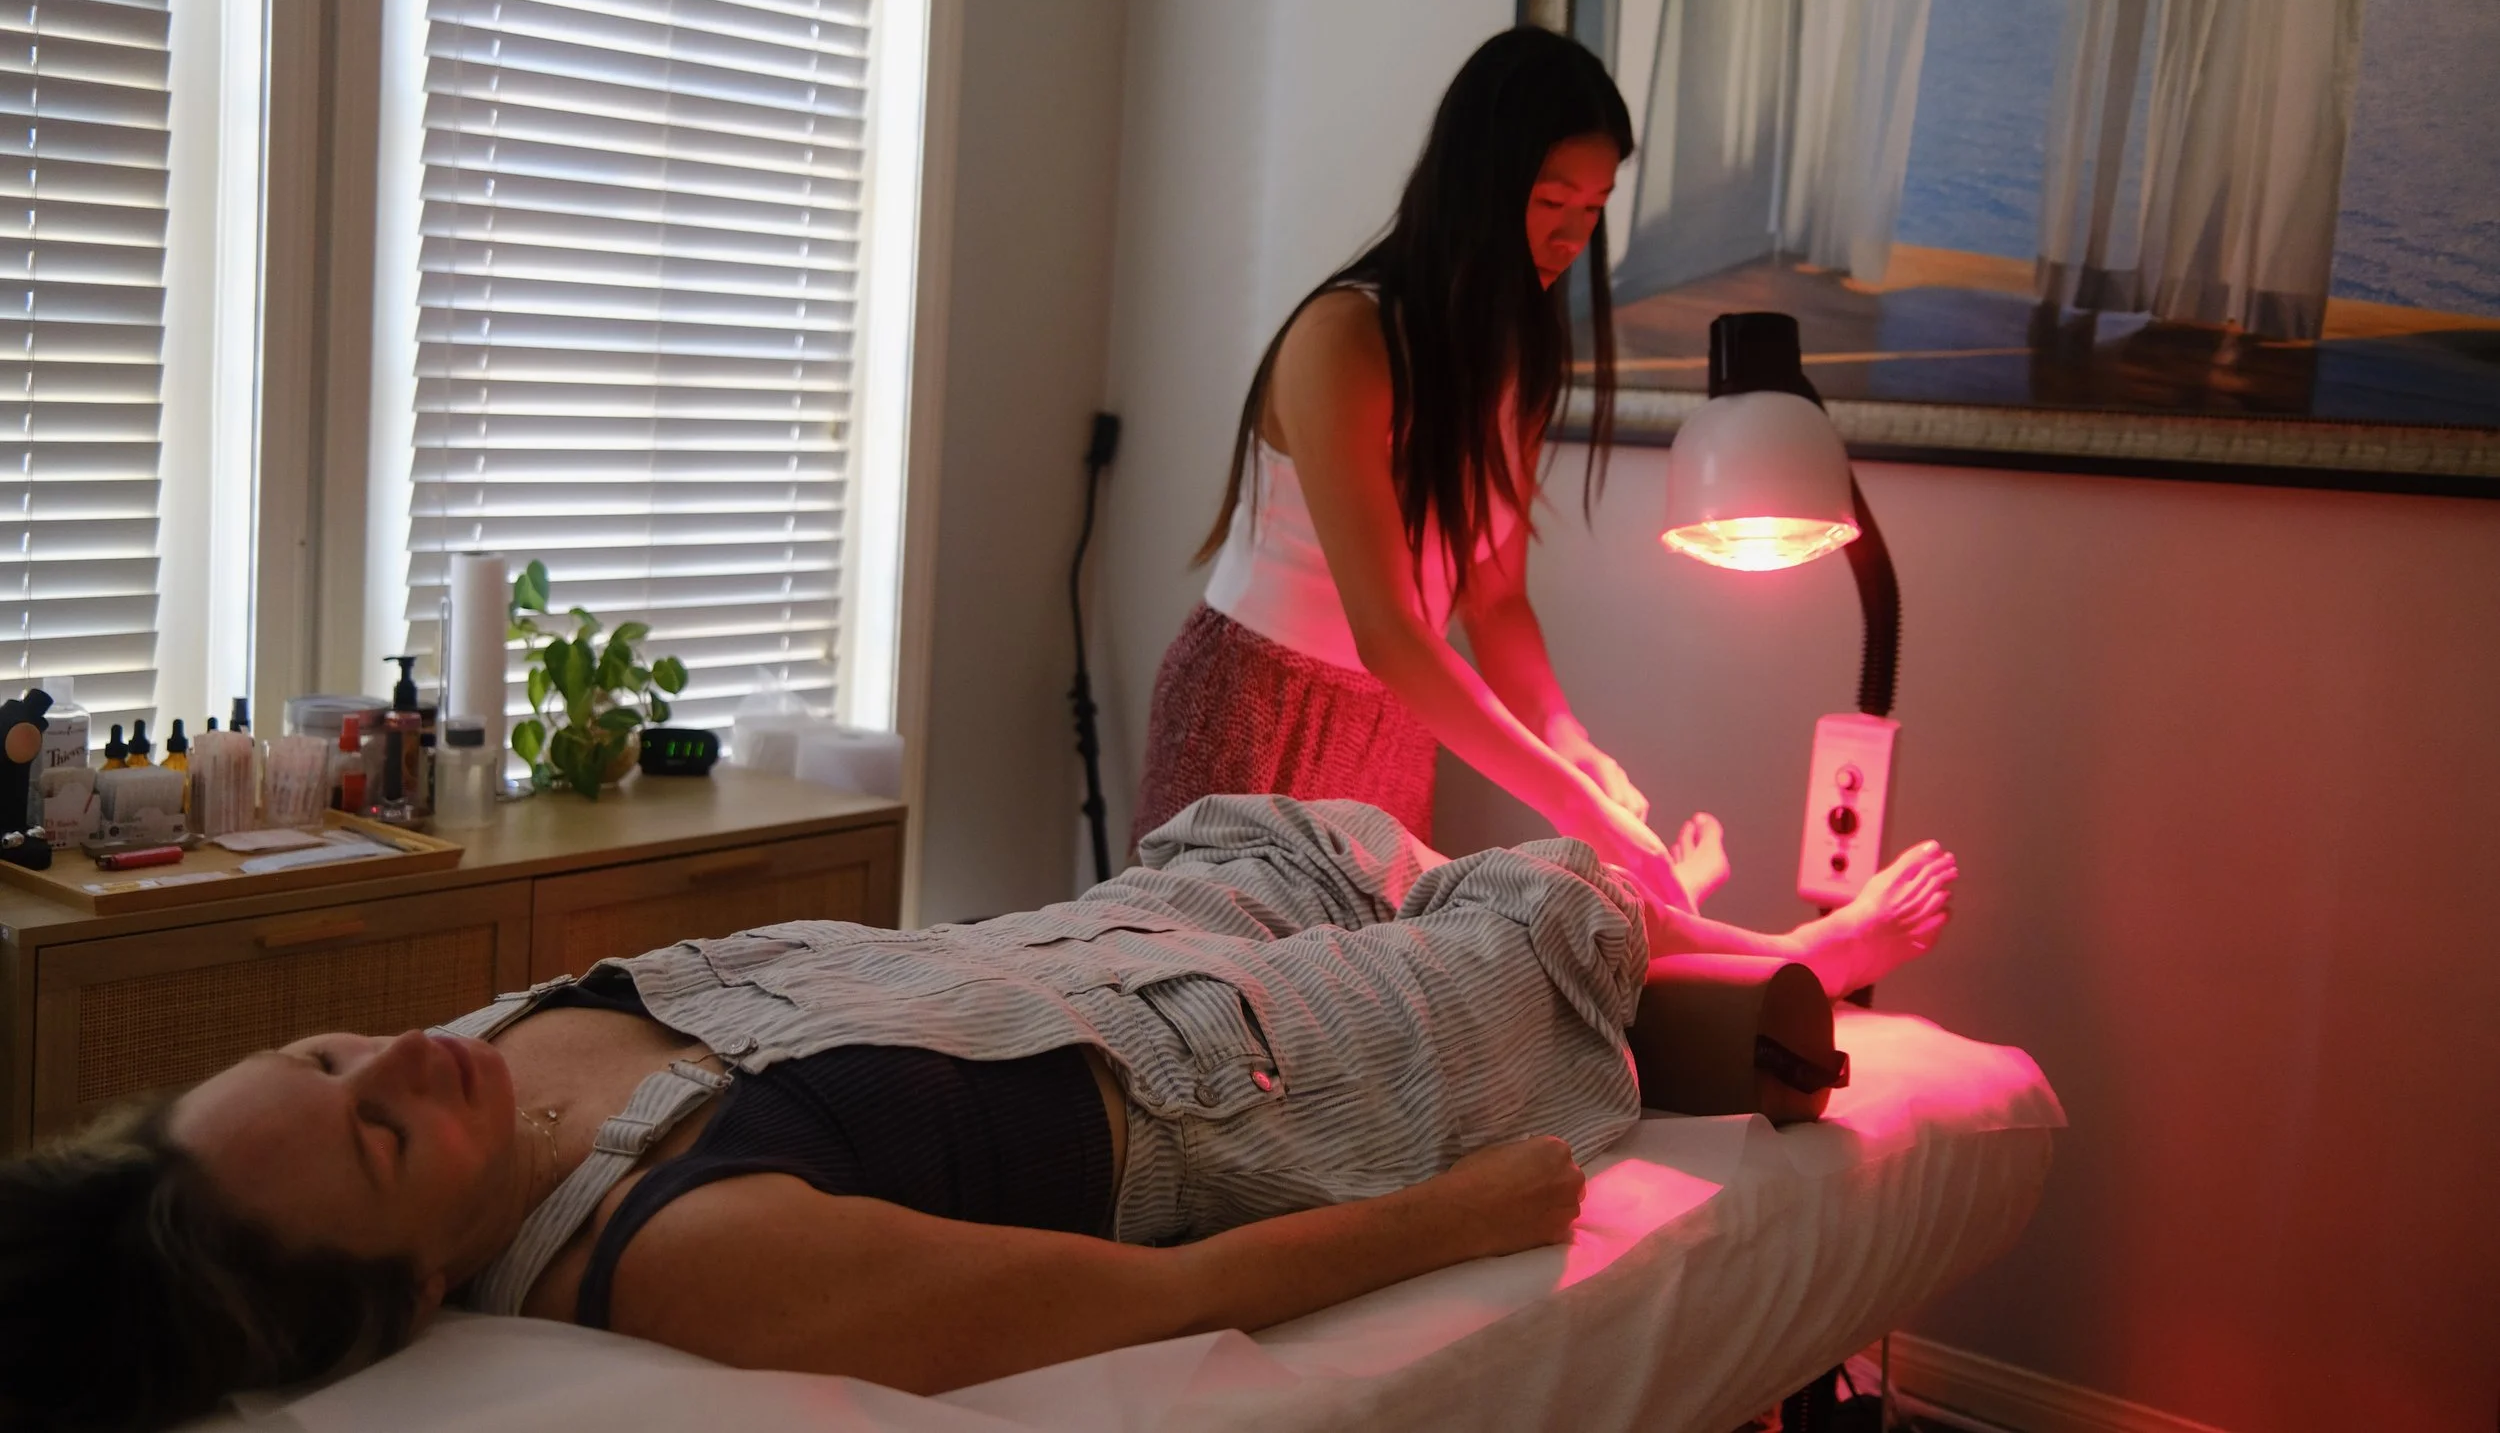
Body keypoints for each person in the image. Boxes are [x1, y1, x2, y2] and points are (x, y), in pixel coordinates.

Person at [0, 797, 1957, 1431]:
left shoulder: (485, 1039)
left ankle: (1636, 938)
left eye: (329, 1051)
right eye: (367, 1132)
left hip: (1083, 942)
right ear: (422, 1279)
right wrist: (1457, 1212)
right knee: (1525, 908)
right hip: (1239, 1072)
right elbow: (1095, 1302)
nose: (393, 1064)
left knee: (1277, 819)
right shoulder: (670, 1241)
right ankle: (1749, 950)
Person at [1133, 26, 1689, 910]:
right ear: (1483, 183)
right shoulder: (1347, 338)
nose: (1573, 236)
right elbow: (1388, 627)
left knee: (1365, 1003)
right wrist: (1569, 800)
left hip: (1399, 718)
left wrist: (1565, 738)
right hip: (1261, 707)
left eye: (1594, 206)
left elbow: (1495, 595)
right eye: (1552, 201)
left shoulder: (1519, 359)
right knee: (1225, 995)